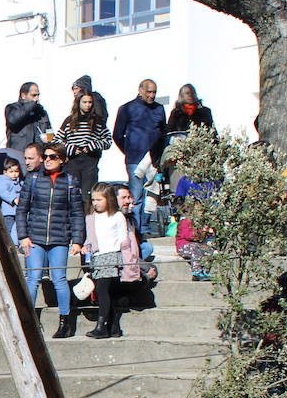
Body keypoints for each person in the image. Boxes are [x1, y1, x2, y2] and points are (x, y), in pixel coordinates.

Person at [16, 143, 85, 338]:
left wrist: (77, 240)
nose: (47, 160)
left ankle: (65, 322)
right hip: (35, 237)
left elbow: (77, 213)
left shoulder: (70, 181)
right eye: (45, 156)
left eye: (52, 157)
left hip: (59, 238)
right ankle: (29, 321)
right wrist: (23, 236)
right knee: (33, 278)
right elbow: (22, 210)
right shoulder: (34, 179)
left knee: (59, 279)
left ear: (62, 159)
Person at [82, 182, 140, 339]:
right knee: (106, 292)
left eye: (99, 200)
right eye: (93, 200)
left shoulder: (117, 216)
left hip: (112, 256)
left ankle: (101, 325)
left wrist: (127, 262)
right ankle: (114, 326)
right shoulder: (91, 217)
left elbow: (123, 239)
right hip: (97, 257)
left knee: (102, 291)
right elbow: (90, 236)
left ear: (108, 199)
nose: (95, 203)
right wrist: (86, 247)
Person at [113, 79, 167, 235]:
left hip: (154, 159)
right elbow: (117, 134)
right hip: (135, 159)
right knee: (136, 196)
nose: (152, 95)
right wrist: (128, 150)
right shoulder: (127, 108)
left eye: (154, 92)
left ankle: (146, 229)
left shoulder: (159, 109)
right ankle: (135, 229)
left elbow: (164, 132)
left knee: (151, 195)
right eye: (149, 92)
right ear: (140, 90)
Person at [57, 91, 111, 197]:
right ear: (79, 103)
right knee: (72, 193)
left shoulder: (98, 121)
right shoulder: (69, 121)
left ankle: (87, 213)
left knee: (88, 195)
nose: (87, 105)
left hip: (90, 161)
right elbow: (57, 140)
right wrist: (70, 148)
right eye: (84, 102)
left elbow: (108, 141)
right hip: (73, 161)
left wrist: (93, 146)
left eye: (90, 102)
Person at [5, 82, 51, 151]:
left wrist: (49, 138)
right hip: (18, 153)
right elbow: (12, 120)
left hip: (38, 154)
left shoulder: (42, 112)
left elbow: (49, 130)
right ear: (23, 95)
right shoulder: (12, 108)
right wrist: (31, 104)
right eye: (33, 95)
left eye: (38, 95)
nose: (37, 98)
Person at [176, 213, 212, 281]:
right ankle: (197, 273)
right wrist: (202, 231)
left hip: (197, 245)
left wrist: (208, 232)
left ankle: (205, 271)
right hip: (184, 246)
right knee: (195, 248)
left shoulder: (201, 223)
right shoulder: (185, 222)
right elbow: (188, 235)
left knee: (208, 250)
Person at [0, 156, 22, 243]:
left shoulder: (19, 182)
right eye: (11, 172)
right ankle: (9, 243)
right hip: (8, 212)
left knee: (17, 228)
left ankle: (15, 243)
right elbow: (3, 193)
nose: (14, 174)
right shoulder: (4, 182)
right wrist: (13, 199)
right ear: (5, 172)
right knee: (9, 229)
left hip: (17, 211)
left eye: (16, 171)